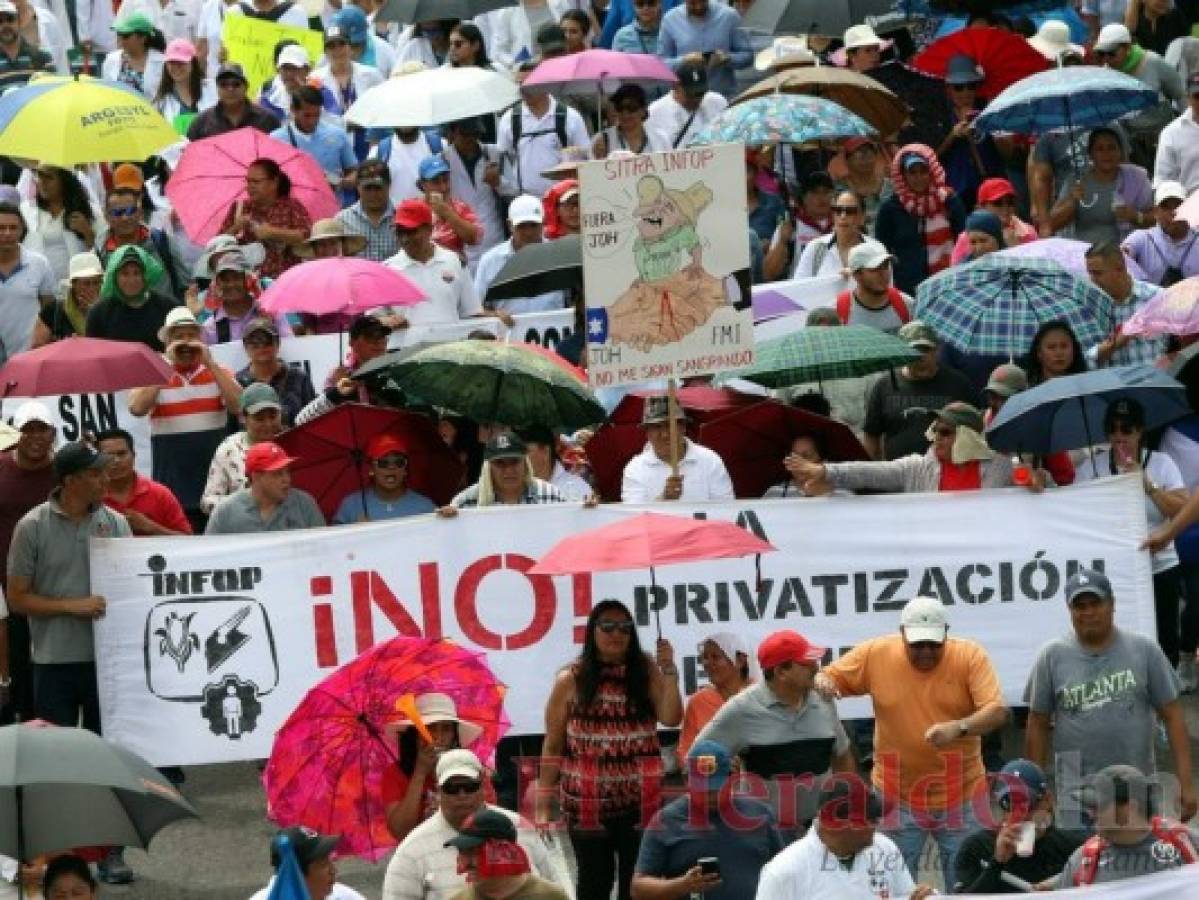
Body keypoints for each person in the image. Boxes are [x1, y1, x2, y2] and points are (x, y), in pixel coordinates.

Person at [812, 597, 1009, 889]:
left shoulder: (970, 656)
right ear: (902, 633)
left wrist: (959, 727)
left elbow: (997, 712)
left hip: (964, 795)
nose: (926, 652)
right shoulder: (877, 653)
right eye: (917, 645)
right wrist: (823, 680)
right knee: (891, 887)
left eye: (934, 644)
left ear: (946, 633)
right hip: (896, 796)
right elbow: (828, 676)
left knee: (969, 886)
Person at [6, 441, 133, 883]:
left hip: (107, 663)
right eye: (97, 473)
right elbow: (17, 598)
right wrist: (70, 606)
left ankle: (112, 851)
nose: (106, 478)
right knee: (56, 767)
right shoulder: (32, 527)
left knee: (108, 760)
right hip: (54, 662)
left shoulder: (114, 523)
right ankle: (59, 856)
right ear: (71, 481)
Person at [1025, 568, 1197, 828]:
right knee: (1082, 866)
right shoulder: (1052, 656)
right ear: (1070, 611)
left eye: (1096, 603)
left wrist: (1186, 782)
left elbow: (1173, 715)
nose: (1088, 612)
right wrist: (1034, 796)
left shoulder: (1144, 649)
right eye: (1079, 606)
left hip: (1135, 790)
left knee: (1139, 865)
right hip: (1076, 794)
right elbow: (1037, 724)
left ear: (1112, 604)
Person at [538, 600, 681, 900]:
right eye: (608, 626)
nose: (617, 634)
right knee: (593, 884)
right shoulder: (571, 680)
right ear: (592, 632)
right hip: (587, 808)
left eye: (625, 627)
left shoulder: (647, 672)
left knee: (638, 886)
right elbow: (553, 744)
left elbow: (671, 718)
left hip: (641, 804)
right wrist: (542, 804)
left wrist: (669, 670)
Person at [694, 629, 855, 830]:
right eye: (807, 663)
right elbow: (699, 758)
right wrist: (723, 806)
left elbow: (841, 755)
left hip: (819, 831)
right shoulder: (741, 709)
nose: (816, 667)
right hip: (764, 833)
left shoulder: (823, 700)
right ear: (781, 672)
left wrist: (848, 805)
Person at [1076, 399, 1187, 664]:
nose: (1119, 436)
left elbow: (1182, 510)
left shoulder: (1161, 462)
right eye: (1112, 430)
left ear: (1140, 431)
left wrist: (1147, 484)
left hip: (1159, 565)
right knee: (1121, 638)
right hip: (1115, 568)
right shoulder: (1092, 468)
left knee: (1165, 641)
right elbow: (1076, 515)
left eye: (1126, 429)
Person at [382, 749, 563, 900]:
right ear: (438, 790)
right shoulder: (412, 850)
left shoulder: (520, 828)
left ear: (483, 783)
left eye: (469, 786)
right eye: (451, 788)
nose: (462, 795)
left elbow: (553, 883)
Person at [128, 306, 243, 531]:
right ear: (167, 342)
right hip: (173, 483)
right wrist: (165, 367)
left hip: (214, 483)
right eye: (178, 337)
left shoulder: (220, 371)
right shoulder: (154, 372)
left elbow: (239, 405)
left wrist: (209, 363)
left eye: (191, 336)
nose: (186, 343)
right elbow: (136, 407)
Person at [631, 738, 782, 900]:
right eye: (701, 788)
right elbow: (639, 889)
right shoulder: (665, 821)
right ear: (686, 781)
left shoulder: (760, 813)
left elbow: (784, 870)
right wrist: (682, 885)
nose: (709, 796)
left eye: (716, 788)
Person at [755, 775, 934, 900]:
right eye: (871, 820)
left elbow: (908, 894)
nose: (877, 825)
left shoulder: (885, 848)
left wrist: (925, 897)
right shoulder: (782, 873)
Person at [0, 402, 56, 725]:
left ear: (53, 433)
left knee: (48, 660)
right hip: (7, 585)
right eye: (27, 429)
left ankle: (46, 719)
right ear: (15, 433)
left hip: (53, 584)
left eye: (41, 429)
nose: (35, 436)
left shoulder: (64, 470)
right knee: (14, 656)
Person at [953, 759, 1083, 894]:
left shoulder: (1072, 847)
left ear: (1047, 801)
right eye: (1009, 804)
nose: (1020, 815)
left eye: (1027, 803)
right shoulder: (976, 848)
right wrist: (997, 862)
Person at [1058, 764, 1199, 886]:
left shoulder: (1188, 845)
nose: (1091, 814)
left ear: (1130, 807)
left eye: (1098, 806)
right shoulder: (1082, 862)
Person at [862, 321, 978, 460]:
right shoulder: (885, 385)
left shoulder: (959, 384)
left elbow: (976, 431)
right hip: (897, 474)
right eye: (914, 351)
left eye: (926, 350)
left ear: (937, 350)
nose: (921, 357)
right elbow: (871, 435)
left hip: (946, 473)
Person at [874, 144, 966, 296]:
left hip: (948, 283)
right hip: (908, 288)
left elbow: (963, 240)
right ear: (903, 175)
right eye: (912, 173)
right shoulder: (890, 208)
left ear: (932, 172)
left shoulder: (949, 201)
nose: (919, 178)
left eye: (924, 171)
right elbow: (881, 249)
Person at [1092, 23, 1183, 169]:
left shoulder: (1153, 61)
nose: (1106, 59)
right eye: (1102, 54)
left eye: (1111, 53)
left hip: (1163, 135)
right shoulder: (1106, 74)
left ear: (1127, 48)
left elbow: (1180, 94)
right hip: (1132, 143)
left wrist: (1187, 130)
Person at [384, 199, 487, 327]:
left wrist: (496, 317)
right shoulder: (386, 270)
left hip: (451, 345)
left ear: (429, 230)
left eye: (411, 231)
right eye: (400, 232)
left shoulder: (454, 261)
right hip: (407, 346)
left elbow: (472, 312)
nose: (405, 238)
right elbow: (373, 317)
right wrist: (385, 321)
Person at [1049, 127, 1153, 245]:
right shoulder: (1075, 181)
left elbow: (1156, 219)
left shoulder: (1136, 178)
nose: (1106, 154)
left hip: (1125, 253)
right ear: (1091, 154)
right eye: (1100, 149)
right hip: (1084, 254)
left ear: (1120, 152)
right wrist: (1072, 201)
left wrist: (1136, 216)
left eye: (1111, 148)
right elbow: (1052, 224)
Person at [620, 395, 734, 502]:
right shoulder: (635, 469)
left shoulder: (710, 461)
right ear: (647, 433)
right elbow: (634, 517)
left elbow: (726, 508)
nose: (664, 434)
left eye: (670, 425)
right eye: (656, 427)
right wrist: (664, 499)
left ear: (683, 428)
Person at [496, 76, 590, 200]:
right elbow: (504, 161)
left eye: (529, 84)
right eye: (520, 84)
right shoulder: (509, 119)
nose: (523, 89)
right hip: (524, 200)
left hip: (564, 199)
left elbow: (585, 160)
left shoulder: (570, 117)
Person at [221, 157, 312, 279]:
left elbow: (307, 236)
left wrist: (273, 233)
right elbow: (218, 245)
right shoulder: (240, 208)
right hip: (247, 282)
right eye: (248, 181)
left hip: (284, 279)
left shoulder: (291, 206)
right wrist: (235, 228)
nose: (250, 186)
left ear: (274, 183)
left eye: (256, 182)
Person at [205, 440, 324, 534]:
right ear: (256, 477)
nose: (286, 479)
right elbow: (210, 557)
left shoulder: (304, 504)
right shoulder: (226, 511)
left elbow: (325, 548)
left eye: (287, 472)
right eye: (278, 473)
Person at [201, 381, 284, 514]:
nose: (268, 424)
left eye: (273, 416)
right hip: (243, 529)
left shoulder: (292, 442)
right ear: (243, 417)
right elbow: (208, 501)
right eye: (259, 418)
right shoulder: (229, 448)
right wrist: (242, 505)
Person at [476, 195, 565, 314]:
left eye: (533, 225)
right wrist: (493, 315)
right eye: (522, 226)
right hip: (507, 332)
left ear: (543, 223)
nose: (529, 233)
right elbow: (475, 308)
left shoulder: (559, 256)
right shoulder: (490, 261)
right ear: (509, 225)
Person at [1084, 241, 1165, 368]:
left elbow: (1185, 346)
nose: (1092, 280)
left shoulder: (1156, 298)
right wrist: (1111, 346)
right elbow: (1081, 360)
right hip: (1113, 386)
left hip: (1155, 384)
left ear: (1120, 268)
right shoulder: (1090, 306)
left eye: (1098, 273)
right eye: (1090, 273)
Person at [271, 85, 357, 205]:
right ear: (293, 110)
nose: (312, 121)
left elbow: (354, 171)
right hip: (293, 210)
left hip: (331, 207)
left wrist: (342, 183)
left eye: (316, 115)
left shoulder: (337, 134)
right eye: (306, 115)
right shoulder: (276, 139)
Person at [97, 428, 191, 536]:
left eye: (121, 454)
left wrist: (151, 528)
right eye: (108, 455)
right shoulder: (89, 496)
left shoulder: (159, 494)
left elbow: (188, 540)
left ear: (134, 455)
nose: (116, 461)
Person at [442, 118, 505, 272]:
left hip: (493, 235)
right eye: (465, 135)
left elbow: (515, 191)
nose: (471, 140)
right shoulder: (443, 159)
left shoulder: (494, 153)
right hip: (461, 239)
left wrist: (498, 183)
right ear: (452, 133)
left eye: (475, 134)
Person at [442, 433, 565, 512]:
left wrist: (583, 512)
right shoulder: (465, 502)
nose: (509, 470)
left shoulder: (552, 496)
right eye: (500, 463)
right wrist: (445, 523)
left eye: (515, 462)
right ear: (488, 467)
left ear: (525, 463)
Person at [675, 633, 751, 758]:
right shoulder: (698, 702)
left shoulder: (761, 696)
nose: (708, 663)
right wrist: (717, 763)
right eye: (705, 657)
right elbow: (686, 754)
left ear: (740, 661)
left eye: (715, 657)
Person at [332, 432, 435, 524]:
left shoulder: (425, 507)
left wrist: (447, 519)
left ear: (405, 470)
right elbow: (332, 542)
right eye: (383, 463)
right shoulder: (350, 505)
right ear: (371, 469)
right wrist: (354, 533)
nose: (392, 467)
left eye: (399, 462)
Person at [657, 0, 750, 99]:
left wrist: (727, 58)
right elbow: (661, 64)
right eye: (692, 3)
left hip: (723, 96)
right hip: (686, 99)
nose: (698, 7)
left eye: (702, 2)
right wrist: (684, 61)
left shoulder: (729, 16)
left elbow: (747, 56)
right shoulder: (670, 19)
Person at [22, 165, 98, 283]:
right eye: (40, 176)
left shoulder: (89, 210)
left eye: (49, 177)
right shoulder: (27, 210)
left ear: (64, 181)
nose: (43, 182)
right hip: (37, 287)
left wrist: (87, 232)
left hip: (78, 288)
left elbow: (103, 250)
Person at [248, 826, 365, 900]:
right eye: (322, 864)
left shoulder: (344, 896)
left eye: (329, 860)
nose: (333, 870)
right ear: (295, 874)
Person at [234, 317, 314, 425]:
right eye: (254, 342)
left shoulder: (299, 377)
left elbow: (313, 416)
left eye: (268, 341)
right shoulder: (237, 381)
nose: (261, 347)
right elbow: (234, 426)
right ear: (245, 347)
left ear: (278, 344)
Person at [0, 203, 52, 363]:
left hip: (30, 356)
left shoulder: (39, 264)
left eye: (13, 227)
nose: (7, 233)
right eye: (1, 228)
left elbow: (49, 309)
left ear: (22, 230)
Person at [200, 251, 290, 344]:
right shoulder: (210, 328)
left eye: (236, 278)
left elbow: (289, 345)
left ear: (247, 280)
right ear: (218, 284)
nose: (231, 284)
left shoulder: (272, 314)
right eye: (225, 280)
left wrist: (271, 326)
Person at [1121, 180, 1199, 287]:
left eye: (1178, 205)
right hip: (1151, 301)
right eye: (1165, 207)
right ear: (1156, 211)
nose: (1172, 212)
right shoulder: (1142, 238)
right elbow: (1119, 259)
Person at [764, 171, 835, 282]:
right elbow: (769, 274)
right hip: (799, 290)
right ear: (804, 197)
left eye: (826, 192)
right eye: (815, 192)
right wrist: (782, 242)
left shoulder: (842, 224)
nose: (821, 197)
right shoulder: (791, 227)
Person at [950, 178, 1036, 265]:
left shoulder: (1028, 232)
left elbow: (1037, 267)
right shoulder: (966, 238)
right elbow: (956, 272)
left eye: (1010, 202)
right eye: (997, 203)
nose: (1005, 208)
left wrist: (1016, 250)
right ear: (981, 207)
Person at [646, 59, 727, 151]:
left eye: (700, 93)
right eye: (690, 94)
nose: (696, 99)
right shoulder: (655, 112)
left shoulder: (717, 101)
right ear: (675, 85)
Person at [832, 239, 911, 333]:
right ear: (857, 275)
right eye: (875, 269)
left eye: (886, 266)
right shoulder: (837, 310)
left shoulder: (907, 305)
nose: (883, 273)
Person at [186, 62, 280, 140]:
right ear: (217, 88)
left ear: (246, 87)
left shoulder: (268, 120)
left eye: (236, 84)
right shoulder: (201, 123)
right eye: (223, 84)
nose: (230, 89)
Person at [415, 155, 480, 263]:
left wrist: (448, 214)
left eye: (446, 180)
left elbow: (474, 238)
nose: (443, 188)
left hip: (454, 272)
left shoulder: (460, 207)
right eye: (436, 182)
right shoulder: (412, 208)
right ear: (423, 184)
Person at [791, 189, 865, 284]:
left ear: (862, 217)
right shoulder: (815, 248)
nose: (843, 216)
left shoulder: (876, 250)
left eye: (850, 211)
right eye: (838, 210)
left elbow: (885, 293)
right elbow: (798, 289)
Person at [337, 160, 397, 262]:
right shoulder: (342, 220)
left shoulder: (401, 217)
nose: (373, 194)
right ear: (358, 187)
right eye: (367, 188)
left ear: (389, 186)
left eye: (378, 188)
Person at [593, 85, 669, 160]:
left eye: (631, 108)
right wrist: (598, 159)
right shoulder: (601, 140)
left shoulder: (661, 139)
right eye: (619, 108)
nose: (625, 114)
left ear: (643, 110)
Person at [490, 0, 572, 69]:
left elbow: (572, 32)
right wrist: (516, 65)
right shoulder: (508, 11)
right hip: (528, 72)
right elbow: (499, 51)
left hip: (561, 65)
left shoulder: (559, 3)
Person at [834, 137, 892, 235]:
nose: (865, 157)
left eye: (869, 152)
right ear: (847, 160)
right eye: (859, 153)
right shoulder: (838, 189)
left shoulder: (891, 186)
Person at [1154, 73, 1199, 195]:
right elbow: (1163, 181)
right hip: (1188, 206)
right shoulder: (1171, 133)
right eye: (1197, 96)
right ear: (1188, 98)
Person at [102, 13, 164, 99]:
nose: (121, 40)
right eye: (119, 34)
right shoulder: (111, 60)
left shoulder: (162, 62)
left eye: (125, 36)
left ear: (143, 38)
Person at [153, 38, 213, 125]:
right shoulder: (161, 103)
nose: (176, 67)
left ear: (193, 63)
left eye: (181, 62)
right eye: (171, 62)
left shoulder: (212, 88)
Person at [523, 426, 590, 501]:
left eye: (525, 451)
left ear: (545, 451)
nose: (521, 458)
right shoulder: (517, 489)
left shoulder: (577, 487)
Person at [0, 0, 52, 89]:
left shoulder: (42, 57)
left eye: (10, 19)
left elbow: (51, 92)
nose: (5, 25)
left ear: (19, 22)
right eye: (0, 21)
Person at [1024, 319, 1088, 386]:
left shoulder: (1088, 385)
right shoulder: (1026, 387)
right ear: (1039, 353)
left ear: (1074, 349)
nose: (1059, 353)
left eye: (1064, 346)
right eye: (1051, 347)